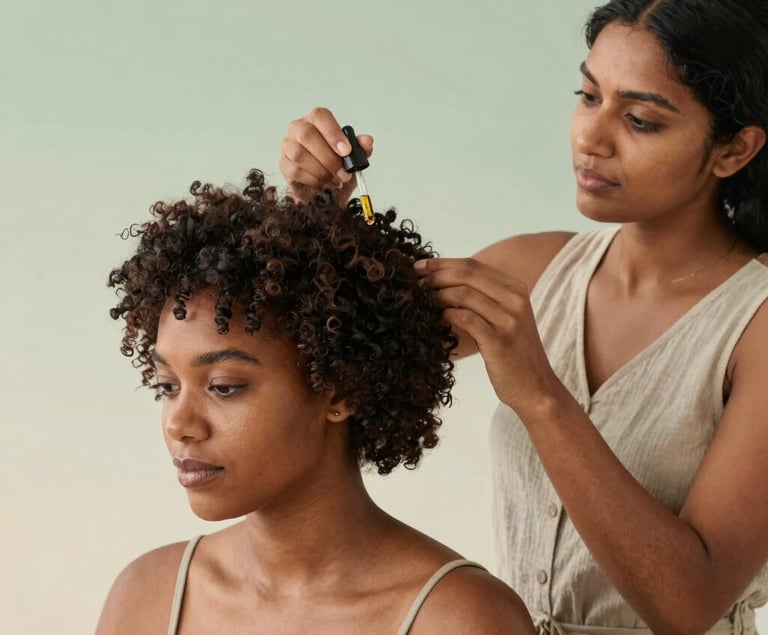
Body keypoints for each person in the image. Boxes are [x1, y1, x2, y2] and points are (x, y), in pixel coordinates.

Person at [276, 1, 768, 633]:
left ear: (734, 150)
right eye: (588, 96)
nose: (591, 137)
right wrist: (317, 206)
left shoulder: (752, 327)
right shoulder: (536, 267)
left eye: (641, 120)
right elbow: (333, 350)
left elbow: (688, 604)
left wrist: (539, 393)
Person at [94, 170, 534, 635]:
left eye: (223, 386)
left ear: (340, 389)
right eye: (167, 386)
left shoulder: (459, 619)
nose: (179, 424)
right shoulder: (148, 598)